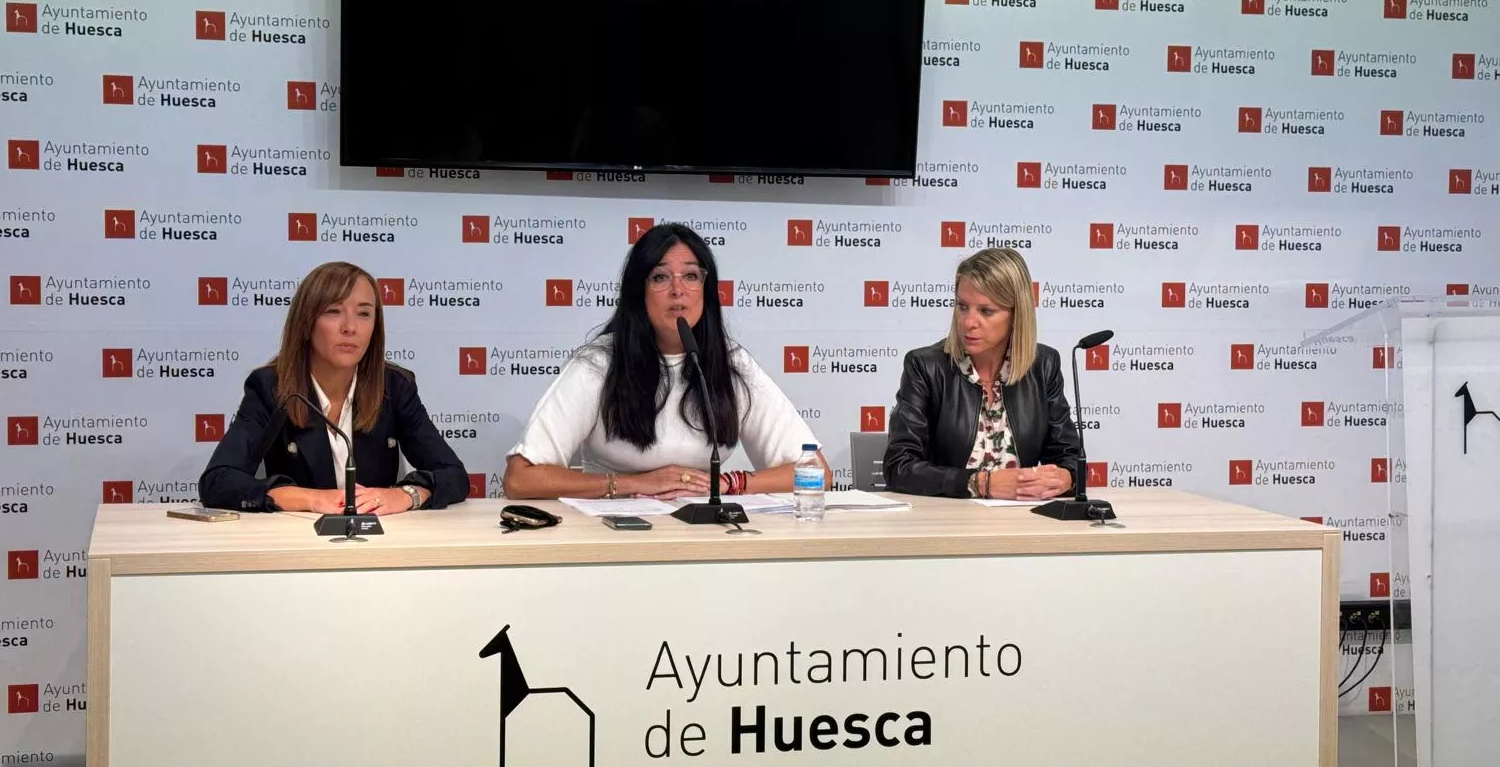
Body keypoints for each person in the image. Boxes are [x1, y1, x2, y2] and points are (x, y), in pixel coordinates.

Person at [504, 223, 829, 500]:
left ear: (706, 289)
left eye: (690, 276)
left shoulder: (729, 362)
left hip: (704, 534)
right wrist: (636, 484)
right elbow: (520, 478)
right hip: (612, 532)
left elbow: (817, 472)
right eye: (660, 277)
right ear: (638, 292)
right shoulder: (599, 364)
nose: (678, 290)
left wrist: (728, 483)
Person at [198, 261, 470, 514]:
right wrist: (312, 499)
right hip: (297, 543)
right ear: (306, 323)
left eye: (364, 313)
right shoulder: (272, 388)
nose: (350, 327)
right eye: (333, 311)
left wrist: (406, 495)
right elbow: (218, 481)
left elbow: (453, 474)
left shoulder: (394, 386)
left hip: (380, 543)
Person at [882, 247, 1083, 501]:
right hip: (946, 522)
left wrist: (1066, 477)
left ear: (1016, 314)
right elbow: (899, 468)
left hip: (1024, 522)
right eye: (962, 307)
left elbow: (1070, 457)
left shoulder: (1043, 365)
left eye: (986, 311)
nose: (968, 322)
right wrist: (981, 483)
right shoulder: (925, 366)